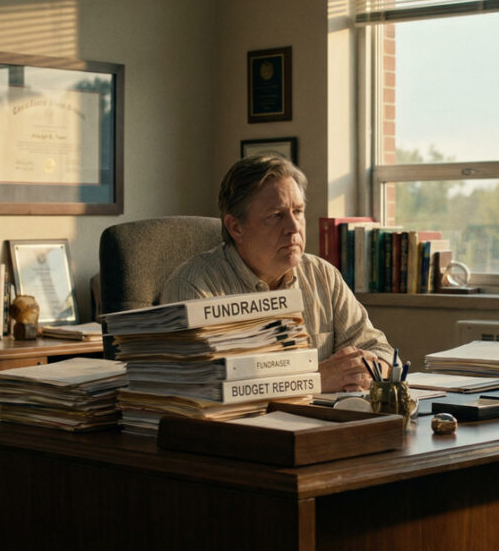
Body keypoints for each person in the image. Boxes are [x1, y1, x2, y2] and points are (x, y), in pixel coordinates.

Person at [162, 155, 395, 392]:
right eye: (276, 216)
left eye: (298, 211)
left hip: (324, 423)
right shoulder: (193, 287)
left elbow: (382, 353)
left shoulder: (323, 276)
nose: (294, 227)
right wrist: (313, 379)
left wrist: (363, 371)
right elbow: (197, 387)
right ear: (236, 227)